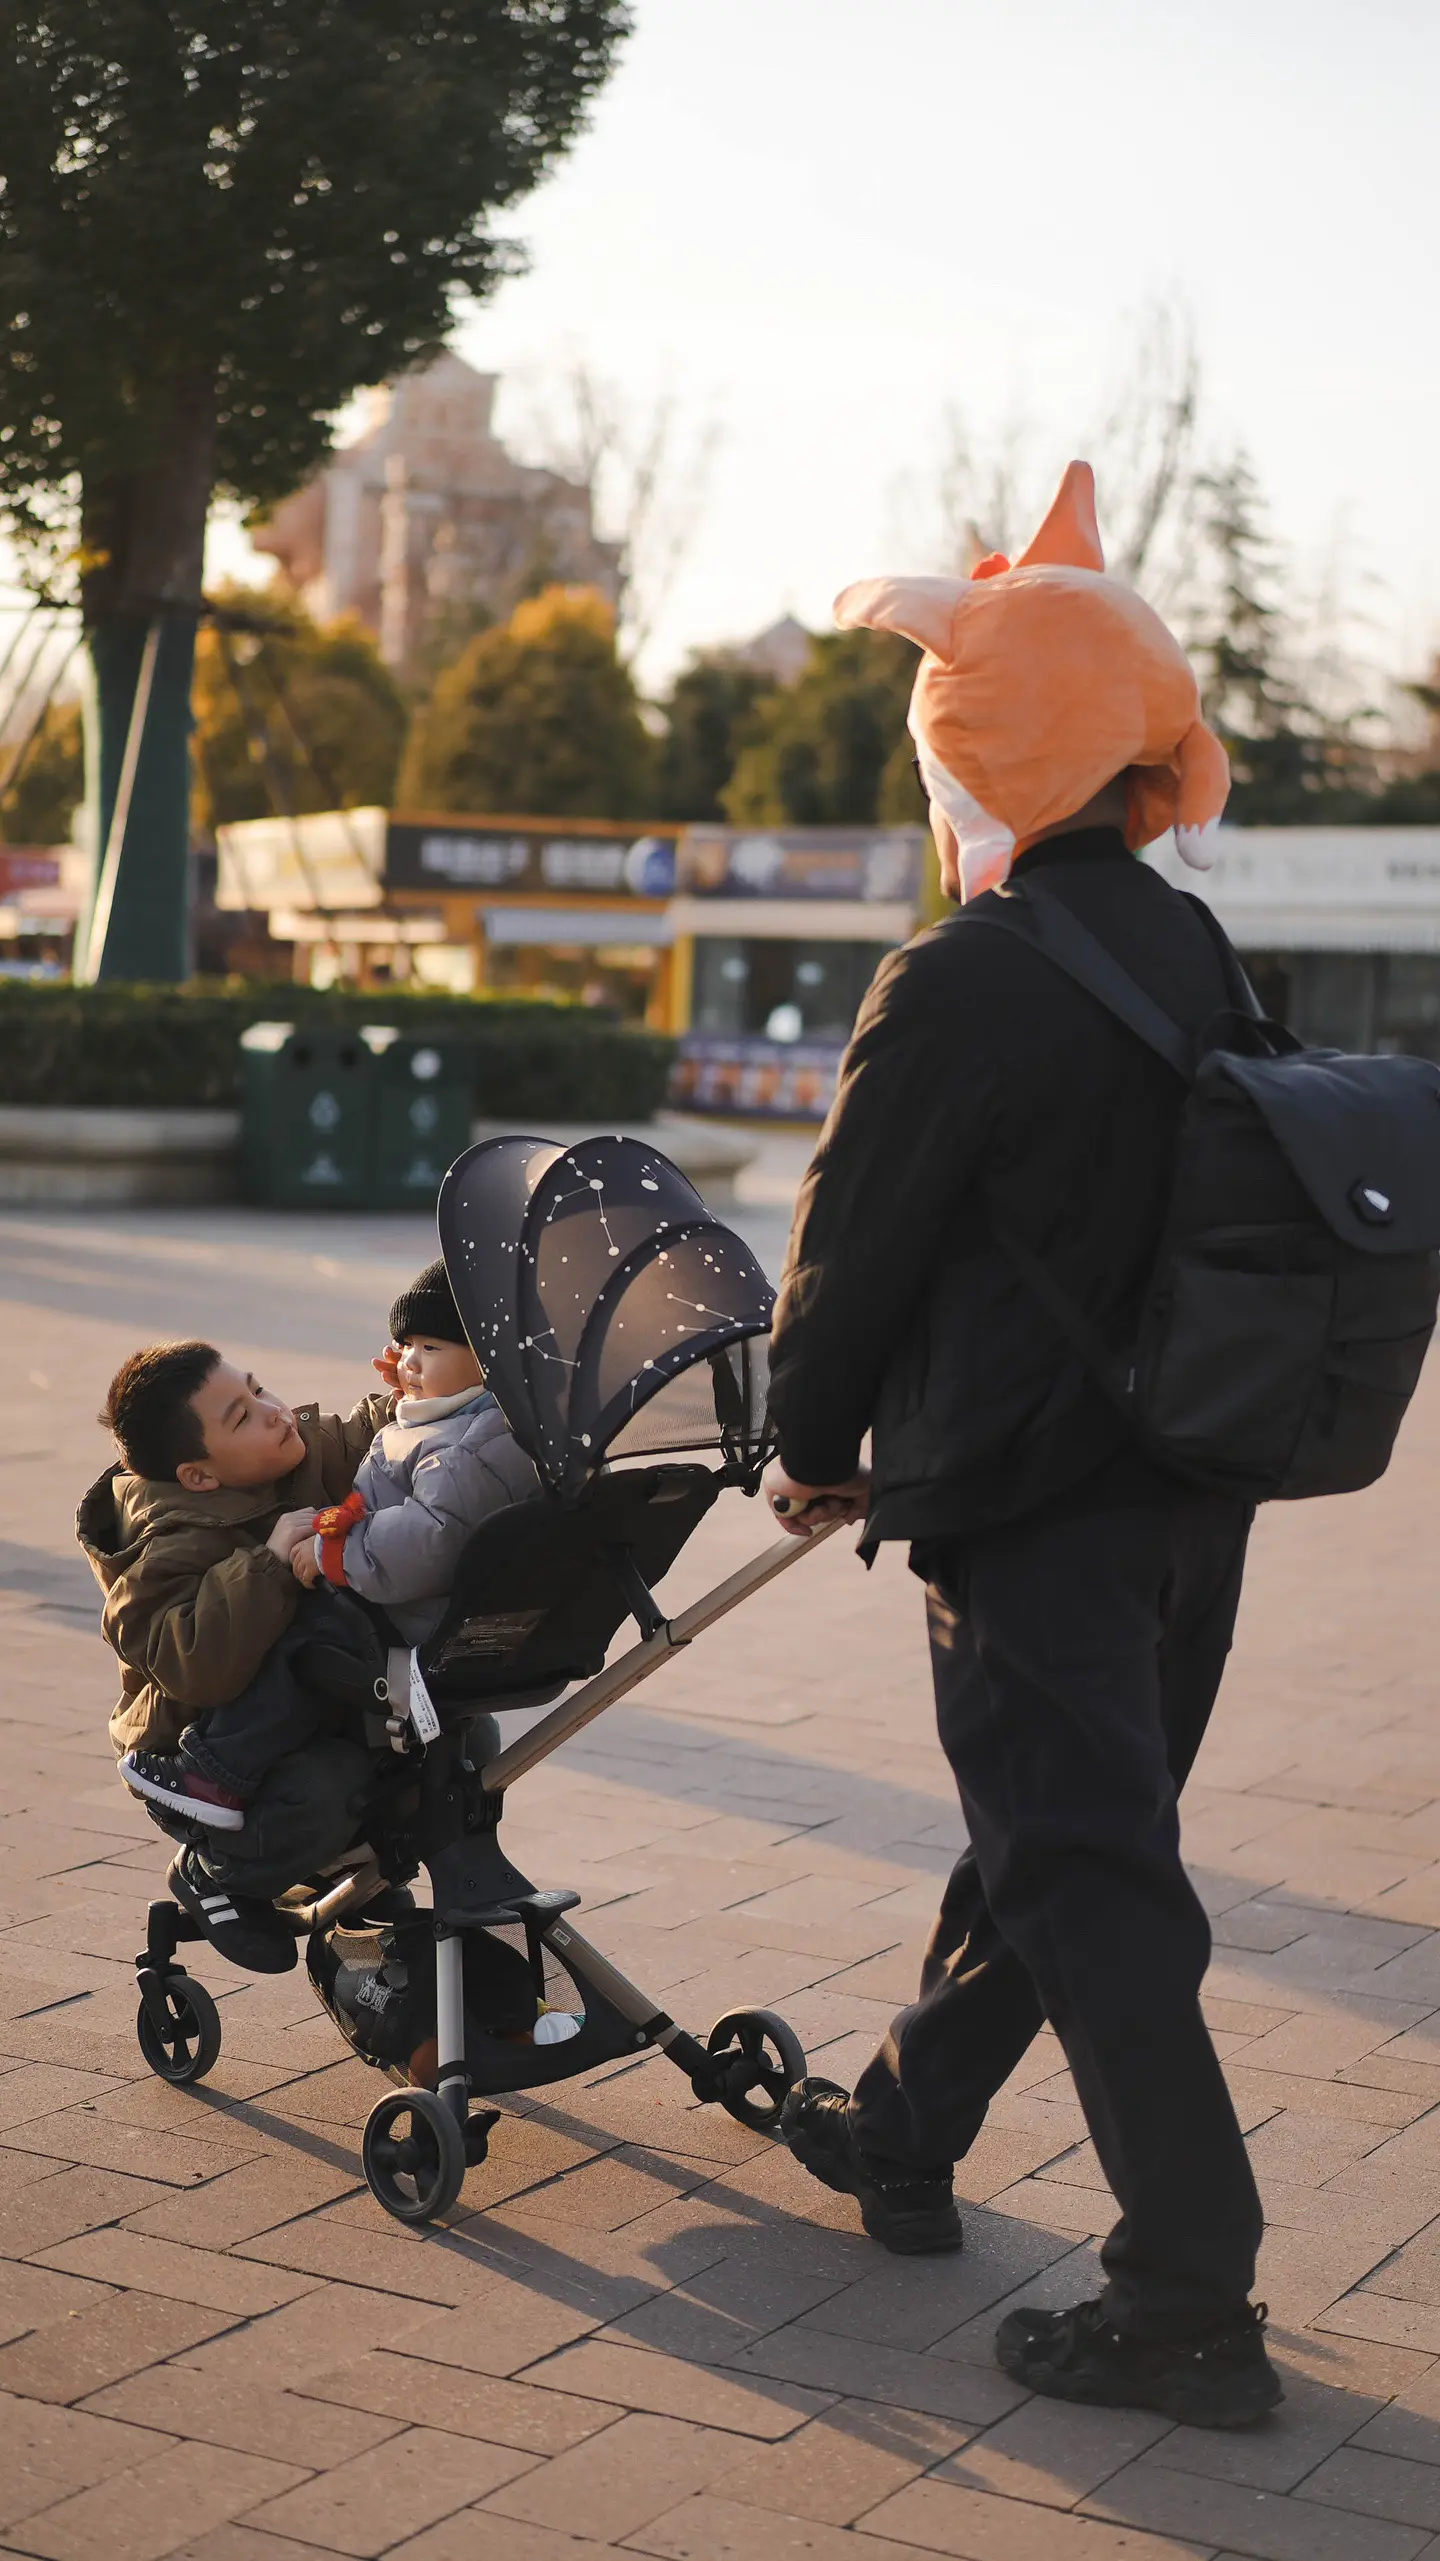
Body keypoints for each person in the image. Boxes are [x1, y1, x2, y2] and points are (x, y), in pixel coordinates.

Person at [764, 461, 1281, 2430]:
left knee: (1087, 1860)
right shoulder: (1197, 954)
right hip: (1192, 1492)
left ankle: (1186, 2294)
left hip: (1036, 1497)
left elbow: (855, 1243)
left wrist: (810, 1438)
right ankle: (904, 2126)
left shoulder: (960, 975)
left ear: (982, 751)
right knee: (1064, 1837)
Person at [291, 1258, 538, 1635]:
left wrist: (334, 1552)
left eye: (431, 1347)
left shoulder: (463, 1453)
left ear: (488, 1359)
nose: (410, 1362)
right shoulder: (493, 1419)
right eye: (406, 1344)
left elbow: (430, 1537)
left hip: (412, 1624)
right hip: (408, 1598)